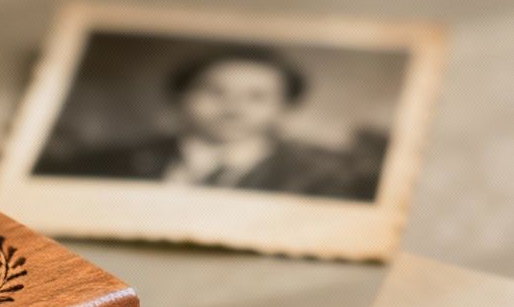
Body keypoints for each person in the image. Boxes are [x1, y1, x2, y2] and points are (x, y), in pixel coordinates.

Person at [35, 45, 380, 200]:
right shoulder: (107, 162)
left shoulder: (327, 178)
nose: (232, 108)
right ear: (180, 97)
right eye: (214, 91)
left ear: (284, 108)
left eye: (256, 97)